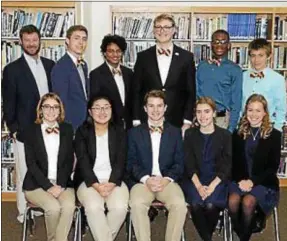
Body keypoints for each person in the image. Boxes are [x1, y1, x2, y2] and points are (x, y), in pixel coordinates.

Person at [1, 24, 55, 223]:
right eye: (27, 40)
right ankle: (24, 213)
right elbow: (8, 103)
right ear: (21, 42)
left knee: (45, 169)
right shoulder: (11, 70)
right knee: (24, 171)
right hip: (24, 130)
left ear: (40, 40)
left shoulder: (50, 65)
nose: (32, 44)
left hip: (49, 128)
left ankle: (41, 207)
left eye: (35, 40)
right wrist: (14, 129)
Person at [127, 90, 187, 241]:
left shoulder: (175, 132)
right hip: (142, 182)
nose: (155, 110)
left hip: (166, 181)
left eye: (159, 106)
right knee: (137, 204)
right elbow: (130, 162)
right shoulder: (133, 133)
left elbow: (179, 164)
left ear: (165, 108)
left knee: (180, 205)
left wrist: (166, 179)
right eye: (151, 106)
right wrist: (146, 179)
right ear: (145, 108)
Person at [74, 95, 129, 241]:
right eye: (97, 108)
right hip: (88, 181)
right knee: (93, 208)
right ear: (90, 112)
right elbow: (83, 161)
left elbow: (121, 160)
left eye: (106, 107)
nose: (102, 111)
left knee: (120, 208)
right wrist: (96, 185)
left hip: (114, 180)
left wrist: (111, 183)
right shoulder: (82, 132)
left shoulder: (120, 131)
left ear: (112, 110)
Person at [23, 93, 75, 241]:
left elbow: (69, 161)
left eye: (55, 107)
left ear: (60, 110)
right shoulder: (31, 131)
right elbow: (31, 164)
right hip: (36, 184)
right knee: (53, 208)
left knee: (69, 206)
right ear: (40, 109)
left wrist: (60, 185)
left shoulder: (67, 129)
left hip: (62, 182)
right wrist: (48, 186)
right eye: (47, 106)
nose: (51, 111)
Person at [229, 94, 281, 241]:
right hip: (240, 180)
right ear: (245, 112)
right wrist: (241, 180)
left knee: (248, 202)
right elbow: (232, 163)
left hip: (263, 182)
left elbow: (272, 167)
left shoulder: (274, 135)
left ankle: (244, 236)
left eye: (258, 110)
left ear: (265, 112)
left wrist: (252, 182)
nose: (254, 114)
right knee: (232, 201)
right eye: (250, 110)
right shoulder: (237, 133)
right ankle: (246, 226)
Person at [132, 13, 196, 132]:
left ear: (173, 30)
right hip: (148, 118)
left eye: (166, 27)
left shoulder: (186, 57)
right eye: (158, 27)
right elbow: (136, 90)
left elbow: (190, 92)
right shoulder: (143, 57)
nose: (162, 31)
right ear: (154, 31)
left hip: (177, 119)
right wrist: (136, 119)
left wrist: (187, 120)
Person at [181, 97, 232, 241]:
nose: (202, 116)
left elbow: (227, 164)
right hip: (194, 179)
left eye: (207, 111)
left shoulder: (225, 135)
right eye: (199, 112)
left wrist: (211, 187)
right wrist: (198, 186)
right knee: (196, 204)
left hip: (217, 180)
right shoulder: (190, 134)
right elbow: (188, 163)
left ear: (214, 113)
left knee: (210, 205)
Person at [196, 29, 243, 132]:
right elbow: (197, 93)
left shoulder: (235, 70)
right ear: (211, 44)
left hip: (222, 120)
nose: (219, 45)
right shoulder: (202, 66)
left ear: (229, 45)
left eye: (223, 42)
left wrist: (230, 128)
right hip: (202, 118)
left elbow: (236, 101)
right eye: (216, 41)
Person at [90, 34, 133, 129]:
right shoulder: (96, 74)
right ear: (104, 53)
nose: (115, 54)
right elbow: (95, 102)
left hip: (129, 126)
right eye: (111, 51)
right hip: (108, 125)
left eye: (118, 51)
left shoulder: (129, 73)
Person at [242, 38, 286, 131]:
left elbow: (281, 108)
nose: (256, 60)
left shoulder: (277, 79)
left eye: (260, 55)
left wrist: (277, 129)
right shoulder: (243, 76)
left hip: (267, 128)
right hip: (245, 127)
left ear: (268, 56)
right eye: (253, 55)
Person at [51, 25, 89, 131]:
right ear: (67, 41)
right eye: (76, 38)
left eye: (84, 39)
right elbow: (61, 101)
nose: (81, 42)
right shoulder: (61, 67)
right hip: (71, 125)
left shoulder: (83, 64)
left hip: (85, 123)